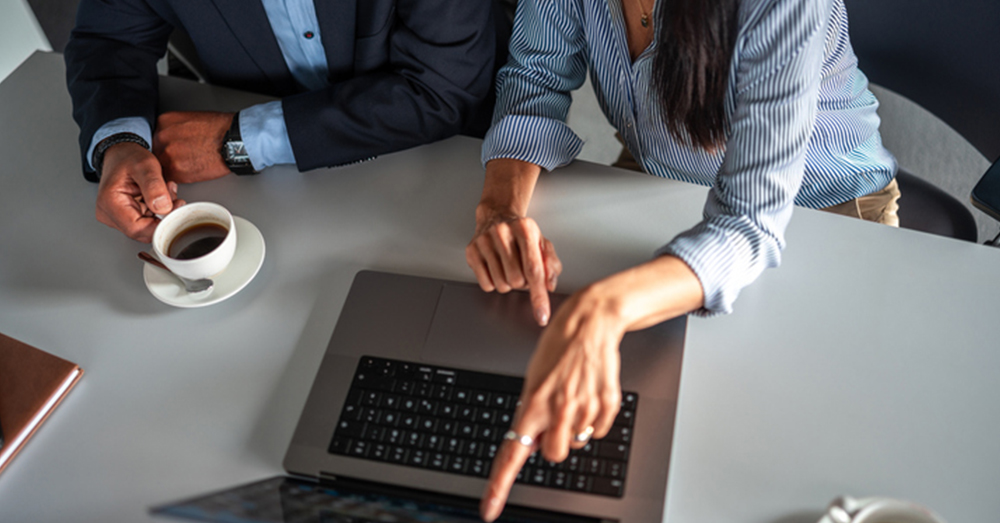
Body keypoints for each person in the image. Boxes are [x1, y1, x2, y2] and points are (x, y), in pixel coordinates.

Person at [465, 0, 899, 519]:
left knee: (761, 453)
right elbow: (535, 79)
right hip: (665, 180)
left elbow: (749, 223)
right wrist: (499, 208)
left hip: (828, 213)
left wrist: (600, 309)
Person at [65, 0, 507, 243]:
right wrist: (119, 141)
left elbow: (440, 91)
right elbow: (108, 37)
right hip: (272, 201)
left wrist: (237, 140)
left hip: (452, 167)